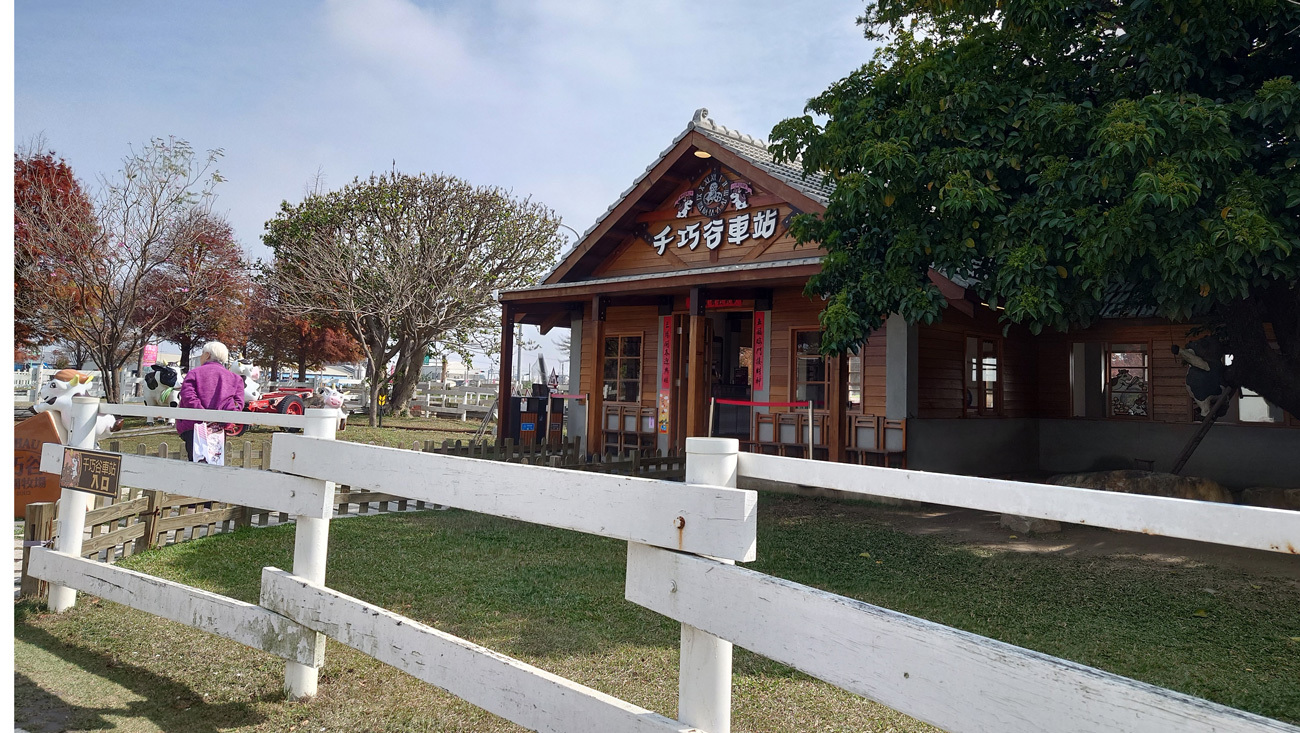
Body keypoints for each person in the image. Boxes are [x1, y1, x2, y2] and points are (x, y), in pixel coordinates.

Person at [176, 342, 246, 460]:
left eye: (202, 353)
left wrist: (203, 415)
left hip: (194, 426)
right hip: (219, 428)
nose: (201, 356)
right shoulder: (235, 378)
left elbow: (188, 396)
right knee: (215, 461)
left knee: (196, 462)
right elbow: (238, 404)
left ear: (207, 355)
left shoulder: (194, 374)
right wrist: (220, 417)